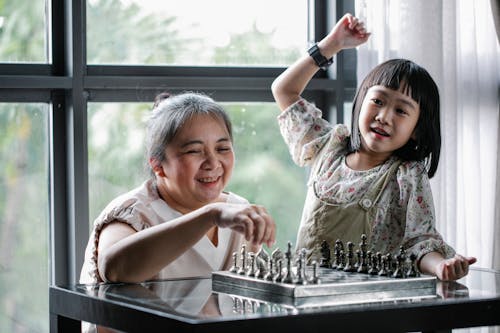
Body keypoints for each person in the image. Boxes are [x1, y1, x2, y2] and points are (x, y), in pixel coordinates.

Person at [271, 13, 475, 281]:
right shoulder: (328, 147)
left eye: (401, 110)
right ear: (360, 102)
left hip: (368, 307)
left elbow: (419, 242)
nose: (384, 116)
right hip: (308, 299)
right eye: (378, 101)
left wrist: (440, 266)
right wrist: (331, 45)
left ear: (417, 131)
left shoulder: (407, 174)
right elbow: (284, 90)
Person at [80, 91, 276, 286]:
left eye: (222, 148)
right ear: (158, 165)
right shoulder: (134, 213)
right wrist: (210, 216)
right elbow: (113, 268)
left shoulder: (238, 210)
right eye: (193, 151)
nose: (212, 163)